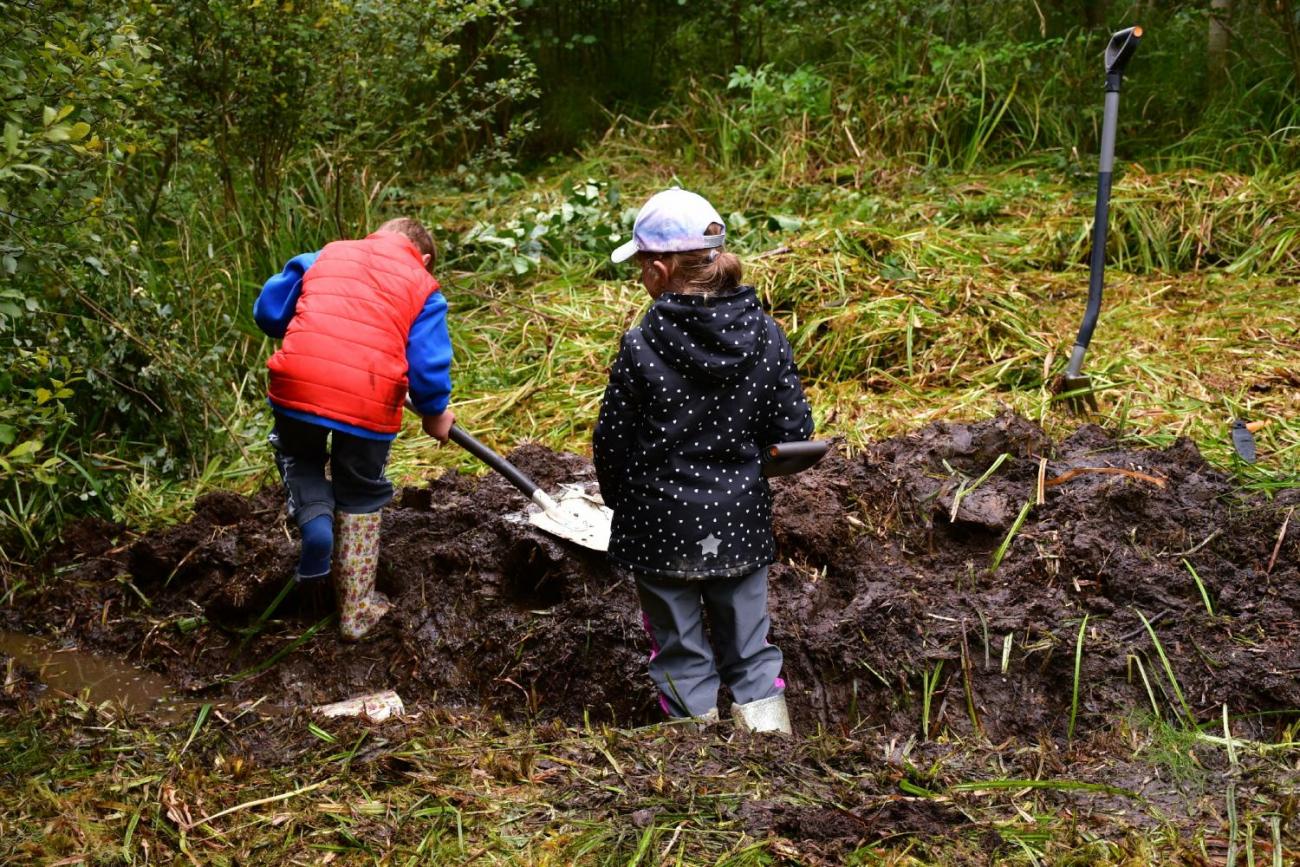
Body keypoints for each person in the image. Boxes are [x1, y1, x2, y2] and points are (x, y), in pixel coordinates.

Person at [593, 189, 814, 734]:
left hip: (658, 524)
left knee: (678, 647)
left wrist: (623, 503)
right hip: (739, 521)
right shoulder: (765, 333)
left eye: (643, 264)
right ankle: (771, 749)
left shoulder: (641, 342)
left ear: (661, 269)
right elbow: (794, 432)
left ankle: (694, 762)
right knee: (750, 645)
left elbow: (612, 444)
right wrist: (747, 474)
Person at [253, 217, 454, 640]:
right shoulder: (423, 286)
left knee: (300, 456)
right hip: (371, 398)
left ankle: (317, 534)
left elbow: (269, 313)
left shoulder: (324, 255)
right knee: (361, 489)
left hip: (299, 383)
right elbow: (428, 366)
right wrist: (435, 411)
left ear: (374, 236)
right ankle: (356, 613)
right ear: (425, 259)